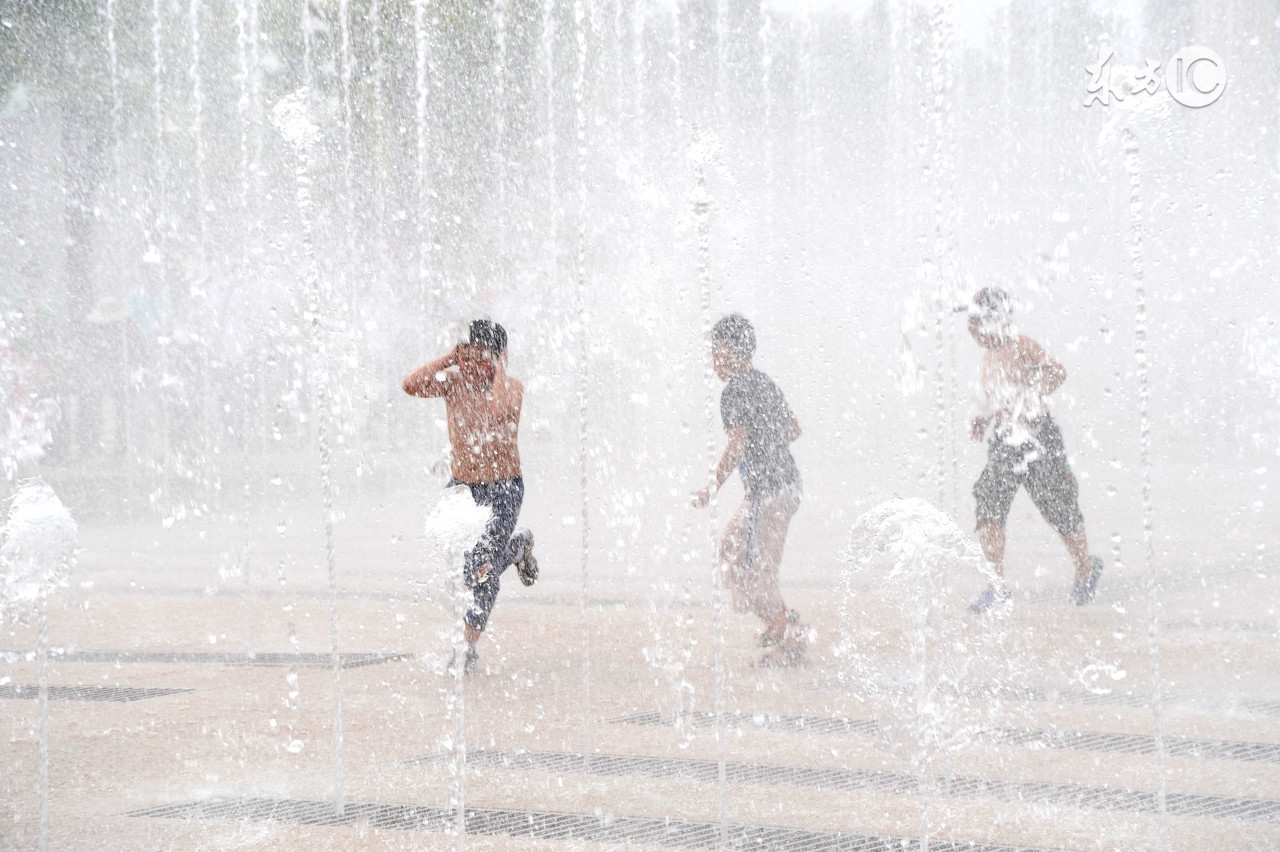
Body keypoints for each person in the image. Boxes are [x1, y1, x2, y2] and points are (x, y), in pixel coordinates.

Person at [403, 320, 538, 674]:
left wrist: (500, 368)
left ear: (497, 359)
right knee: (466, 570)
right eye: (469, 357)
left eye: (483, 359)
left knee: (481, 570)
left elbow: (497, 414)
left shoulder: (511, 388)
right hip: (462, 489)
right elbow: (410, 385)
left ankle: (467, 649)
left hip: (502, 490)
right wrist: (450, 358)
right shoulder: (453, 382)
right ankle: (518, 547)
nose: (474, 366)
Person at [964, 287, 1103, 613]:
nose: (972, 331)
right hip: (1005, 438)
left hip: (1039, 435)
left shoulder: (1020, 346)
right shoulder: (987, 360)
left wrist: (1029, 397)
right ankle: (995, 587)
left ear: (998, 320)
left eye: (977, 323)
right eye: (971, 324)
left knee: (1058, 506)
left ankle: (1085, 568)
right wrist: (984, 419)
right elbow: (996, 401)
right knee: (989, 500)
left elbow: (1056, 371)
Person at [692, 314, 807, 666]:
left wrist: (711, 488)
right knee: (732, 549)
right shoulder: (764, 382)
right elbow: (793, 429)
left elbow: (737, 444)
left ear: (727, 350)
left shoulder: (734, 391)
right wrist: (767, 440)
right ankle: (780, 621)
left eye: (714, 353)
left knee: (755, 572)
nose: (712, 361)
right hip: (779, 488)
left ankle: (789, 644)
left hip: (769, 493)